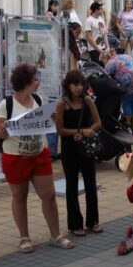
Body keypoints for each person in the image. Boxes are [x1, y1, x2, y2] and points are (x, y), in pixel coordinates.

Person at [0, 64, 75, 253]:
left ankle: (56, 235)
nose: (38, 82)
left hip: (40, 154)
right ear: (25, 82)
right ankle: (24, 237)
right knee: (19, 197)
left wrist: (53, 118)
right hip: (16, 157)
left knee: (49, 195)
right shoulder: (7, 104)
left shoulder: (39, 99)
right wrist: (4, 131)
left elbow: (48, 124)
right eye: (35, 79)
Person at [54, 70, 102, 237]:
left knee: (91, 184)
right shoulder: (62, 104)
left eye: (81, 84)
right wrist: (78, 131)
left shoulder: (87, 101)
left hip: (86, 147)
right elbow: (59, 129)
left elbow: (98, 122)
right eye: (75, 84)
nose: (79, 88)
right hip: (69, 149)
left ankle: (93, 221)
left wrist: (89, 131)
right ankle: (75, 224)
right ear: (68, 85)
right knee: (71, 186)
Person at [105, 54, 133, 134]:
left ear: (106, 58)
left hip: (130, 78)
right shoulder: (123, 56)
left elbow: (106, 76)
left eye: (102, 61)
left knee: (127, 103)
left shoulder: (110, 62)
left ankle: (127, 128)